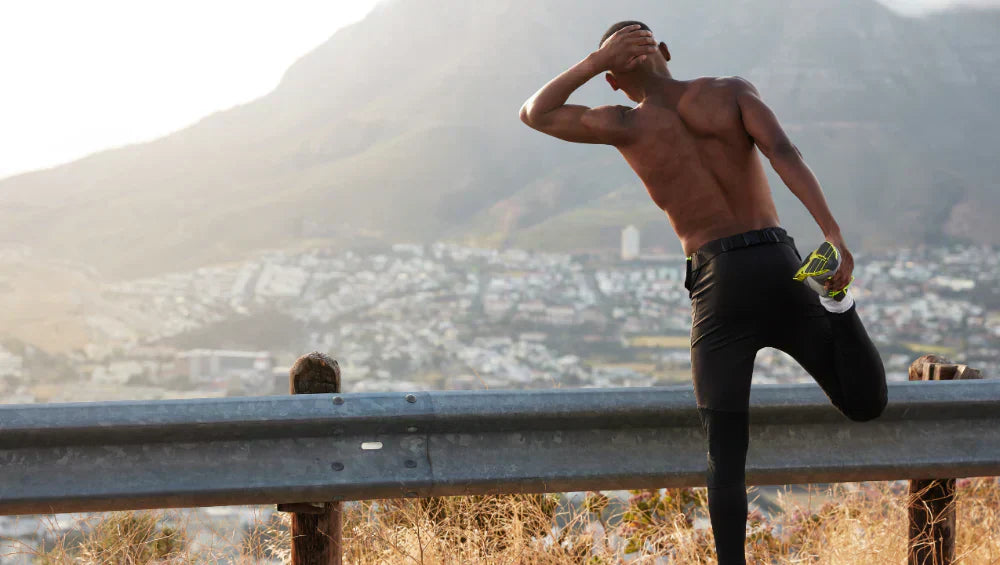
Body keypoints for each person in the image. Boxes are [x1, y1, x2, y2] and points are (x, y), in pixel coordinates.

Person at [519, 21, 888, 564]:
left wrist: (596, 62)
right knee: (863, 403)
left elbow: (535, 113)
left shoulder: (622, 122)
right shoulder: (731, 91)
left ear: (615, 81)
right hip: (778, 262)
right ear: (666, 52)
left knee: (725, 457)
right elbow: (783, 151)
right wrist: (831, 233)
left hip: (720, 284)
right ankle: (839, 303)